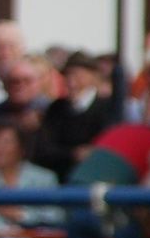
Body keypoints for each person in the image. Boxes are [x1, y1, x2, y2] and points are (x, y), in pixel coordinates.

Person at [34, 52, 116, 181]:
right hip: (59, 178)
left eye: (77, 74)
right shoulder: (56, 108)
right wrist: (73, 154)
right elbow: (44, 148)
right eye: (67, 74)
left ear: (93, 76)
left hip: (92, 179)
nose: (70, 79)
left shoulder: (107, 108)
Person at [0, 59, 47, 146]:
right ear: (4, 85)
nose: (20, 86)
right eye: (14, 82)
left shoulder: (50, 110)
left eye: (27, 81)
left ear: (38, 83)